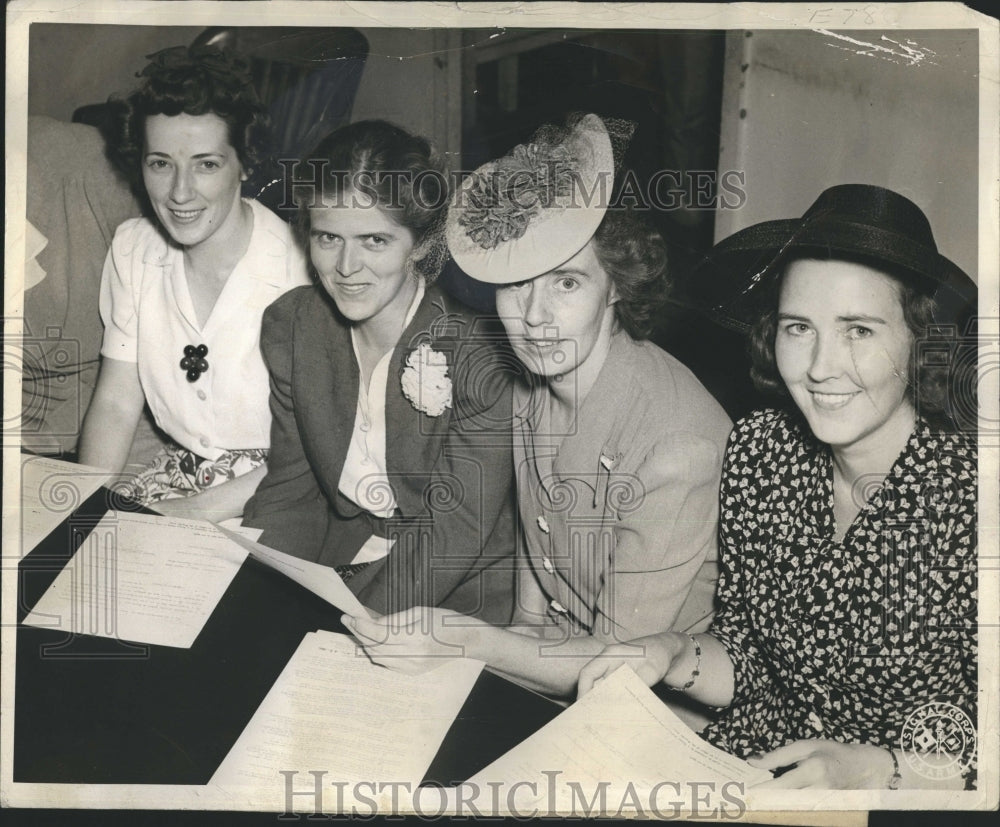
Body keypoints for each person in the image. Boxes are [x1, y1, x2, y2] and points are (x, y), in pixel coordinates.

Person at [578, 184, 978, 790]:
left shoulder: (976, 500)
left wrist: (878, 768)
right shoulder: (763, 451)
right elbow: (746, 652)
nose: (820, 366)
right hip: (748, 778)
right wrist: (666, 653)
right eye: (798, 327)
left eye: (859, 331)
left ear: (920, 340)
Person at [347, 114, 732, 698]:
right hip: (554, 663)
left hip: (656, 703)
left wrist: (469, 643)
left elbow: (620, 665)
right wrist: (513, 637)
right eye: (517, 283)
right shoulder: (531, 384)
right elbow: (536, 590)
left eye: (566, 284)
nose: (533, 317)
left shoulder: (677, 445)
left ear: (618, 286)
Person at [241, 120, 517, 623]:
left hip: (456, 588)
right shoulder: (293, 327)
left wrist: (354, 626)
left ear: (418, 244)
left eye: (374, 241)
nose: (346, 266)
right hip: (346, 557)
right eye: (327, 237)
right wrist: (259, 589)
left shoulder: (482, 356)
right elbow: (291, 489)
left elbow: (456, 530)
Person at [77, 45, 309, 518]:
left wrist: (186, 517)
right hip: (184, 476)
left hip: (283, 489)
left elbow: (315, 451)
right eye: (160, 163)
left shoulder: (302, 272)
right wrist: (83, 511)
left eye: (206, 164)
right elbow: (118, 403)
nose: (179, 193)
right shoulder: (134, 249)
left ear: (244, 164)